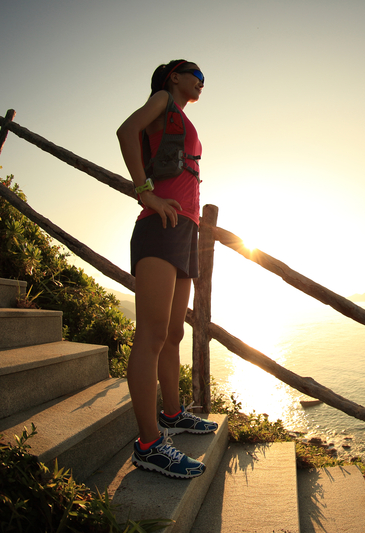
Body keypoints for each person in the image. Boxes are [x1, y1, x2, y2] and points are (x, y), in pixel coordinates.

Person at [117, 59, 218, 479]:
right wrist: (145, 195)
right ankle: (148, 445)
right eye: (195, 73)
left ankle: (173, 414)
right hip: (158, 228)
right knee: (152, 333)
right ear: (174, 77)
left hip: (185, 232)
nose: (201, 81)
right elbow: (126, 132)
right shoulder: (162, 100)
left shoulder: (182, 117)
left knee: (175, 332)